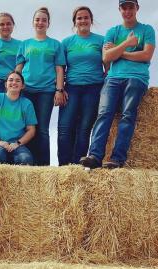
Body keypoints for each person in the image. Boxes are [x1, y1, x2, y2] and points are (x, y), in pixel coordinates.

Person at [80, 0, 156, 169]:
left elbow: (146, 56)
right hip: (113, 78)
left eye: (131, 7)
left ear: (137, 8)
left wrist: (118, 52)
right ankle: (94, 156)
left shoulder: (147, 30)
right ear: (119, 10)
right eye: (124, 7)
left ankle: (117, 159)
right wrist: (127, 45)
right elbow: (106, 58)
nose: (127, 11)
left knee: (127, 115)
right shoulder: (113, 31)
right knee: (104, 114)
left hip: (137, 78)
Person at [16, 7, 66, 166]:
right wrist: (14, 88)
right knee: (28, 127)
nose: (40, 22)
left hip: (46, 91)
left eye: (44, 20)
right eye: (37, 19)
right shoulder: (25, 44)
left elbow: (60, 69)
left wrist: (59, 90)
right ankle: (28, 163)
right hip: (27, 91)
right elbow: (18, 69)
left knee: (42, 129)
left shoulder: (55, 44)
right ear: (33, 22)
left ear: (48, 23)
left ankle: (43, 166)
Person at [57, 6, 105, 166]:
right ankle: (64, 166)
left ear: (91, 20)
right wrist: (60, 89)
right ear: (74, 22)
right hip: (72, 88)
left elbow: (108, 64)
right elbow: (60, 68)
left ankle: (77, 166)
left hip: (93, 88)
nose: (83, 20)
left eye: (86, 17)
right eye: (79, 18)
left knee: (84, 129)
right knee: (64, 129)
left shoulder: (101, 40)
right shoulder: (66, 43)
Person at [0, 71, 37, 165]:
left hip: (15, 146)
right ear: (6, 84)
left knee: (25, 159)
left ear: (22, 86)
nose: (14, 83)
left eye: (18, 81)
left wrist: (18, 143)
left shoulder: (27, 104)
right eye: (10, 80)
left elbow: (31, 130)